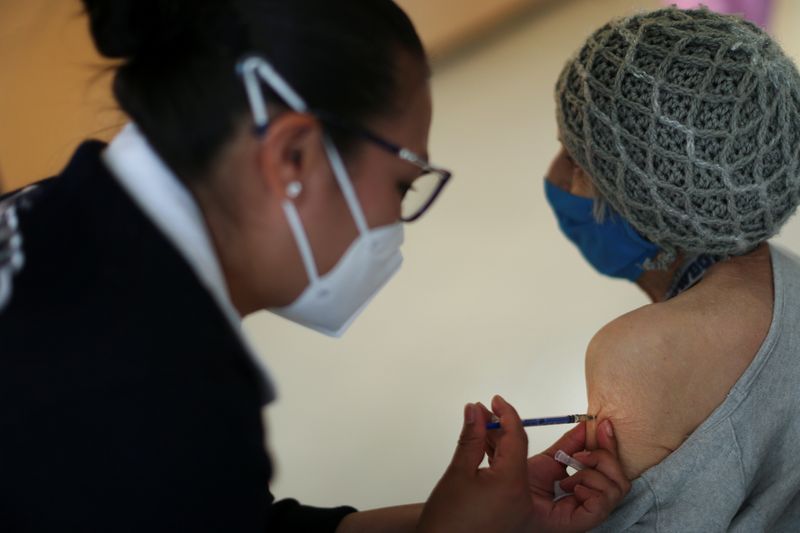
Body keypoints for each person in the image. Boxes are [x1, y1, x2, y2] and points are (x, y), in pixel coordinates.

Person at [0, 1, 630, 531]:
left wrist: (450, 519)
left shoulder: (46, 223)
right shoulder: (152, 398)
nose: (392, 227)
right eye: (402, 187)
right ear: (294, 157)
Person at [546, 6, 800, 531]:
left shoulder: (640, 357)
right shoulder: (789, 278)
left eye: (571, 158)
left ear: (640, 201)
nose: (553, 175)